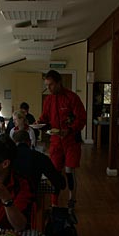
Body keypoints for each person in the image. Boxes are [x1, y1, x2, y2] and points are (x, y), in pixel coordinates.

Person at [38, 70, 87, 219]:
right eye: (47, 85)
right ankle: (54, 204)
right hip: (55, 142)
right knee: (54, 172)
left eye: (51, 85)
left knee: (69, 171)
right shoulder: (49, 100)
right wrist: (39, 123)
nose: (49, 88)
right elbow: (45, 117)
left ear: (59, 82)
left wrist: (70, 130)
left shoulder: (72, 97)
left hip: (71, 141)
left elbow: (81, 118)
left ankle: (72, 201)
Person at [12, 130, 65, 199]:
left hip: (8, 198)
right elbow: (59, 183)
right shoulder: (39, 157)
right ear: (29, 142)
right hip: (30, 197)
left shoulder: (7, 157)